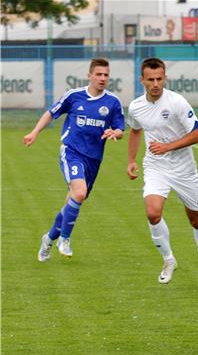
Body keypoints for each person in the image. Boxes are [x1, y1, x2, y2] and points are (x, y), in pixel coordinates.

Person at [23, 58, 125, 261]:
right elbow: (51, 113)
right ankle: (65, 239)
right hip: (71, 152)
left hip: (94, 159)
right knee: (79, 193)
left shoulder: (112, 102)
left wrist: (115, 133)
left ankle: (49, 239)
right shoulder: (74, 96)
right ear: (89, 75)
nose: (103, 78)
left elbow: (121, 128)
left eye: (106, 75)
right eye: (98, 74)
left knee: (72, 202)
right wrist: (35, 132)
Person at [127, 57, 198, 286]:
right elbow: (135, 130)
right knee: (153, 213)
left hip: (184, 168)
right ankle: (168, 259)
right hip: (155, 166)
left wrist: (167, 146)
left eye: (159, 79)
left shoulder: (177, 102)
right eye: (151, 79)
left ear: (165, 78)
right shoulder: (135, 106)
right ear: (142, 80)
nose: (155, 84)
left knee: (196, 219)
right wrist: (131, 160)